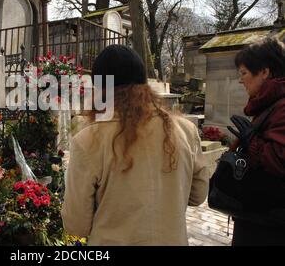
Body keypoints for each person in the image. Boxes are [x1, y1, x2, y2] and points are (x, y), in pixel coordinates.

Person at [61, 44, 209, 245]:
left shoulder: (89, 140)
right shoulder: (185, 130)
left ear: (101, 89)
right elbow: (198, 195)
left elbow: (76, 224)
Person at [229, 36, 285, 246]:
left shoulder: (281, 107)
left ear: (264, 71)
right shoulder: (270, 103)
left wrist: (251, 141)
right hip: (259, 218)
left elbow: (279, 161)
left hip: (269, 226)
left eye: (244, 73)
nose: (240, 80)